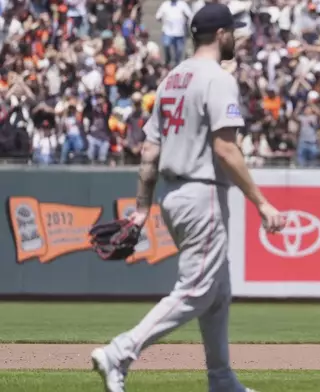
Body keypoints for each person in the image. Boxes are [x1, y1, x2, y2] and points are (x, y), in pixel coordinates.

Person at [90, 4, 285, 391]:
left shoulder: (172, 79)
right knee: (196, 290)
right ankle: (120, 351)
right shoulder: (217, 78)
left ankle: (222, 380)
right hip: (203, 193)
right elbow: (226, 150)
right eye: (234, 31)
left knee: (217, 292)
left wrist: (142, 209)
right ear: (222, 34)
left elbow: (149, 152)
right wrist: (261, 202)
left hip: (172, 195)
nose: (237, 37)